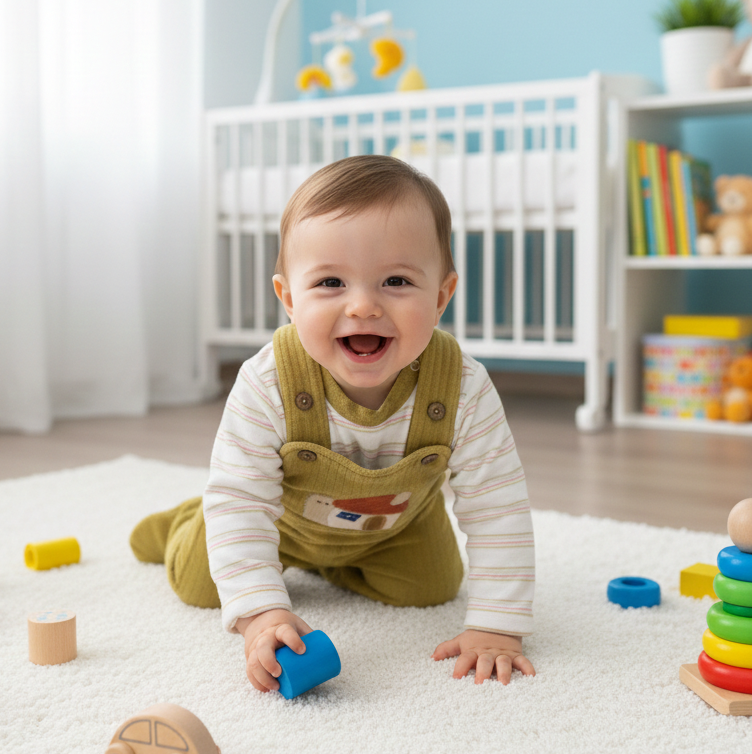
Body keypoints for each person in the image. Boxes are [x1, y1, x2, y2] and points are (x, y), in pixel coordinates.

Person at [131, 154, 535, 692]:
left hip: (391, 529)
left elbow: (498, 504)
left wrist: (497, 626)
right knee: (200, 582)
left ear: (441, 297)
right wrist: (261, 615)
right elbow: (243, 500)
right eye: (330, 282)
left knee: (433, 587)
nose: (363, 306)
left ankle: (336, 565)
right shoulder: (268, 383)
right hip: (277, 523)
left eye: (395, 280)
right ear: (289, 299)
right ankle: (188, 520)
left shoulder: (462, 387)